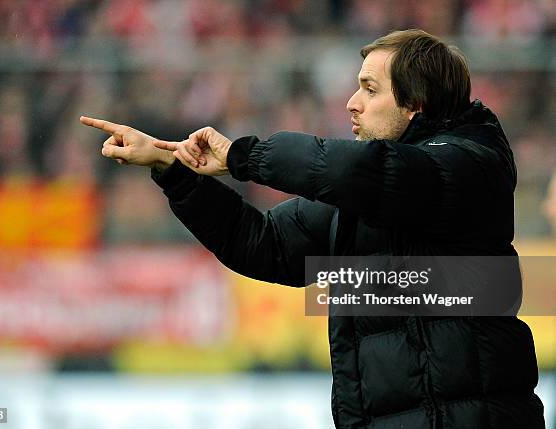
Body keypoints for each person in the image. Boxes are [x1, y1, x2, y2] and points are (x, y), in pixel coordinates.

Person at [80, 29, 545, 428]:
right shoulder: (371, 188)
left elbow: (369, 172)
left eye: (369, 89)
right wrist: (172, 168)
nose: (351, 103)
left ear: (414, 105)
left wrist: (244, 156)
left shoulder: (465, 164)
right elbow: (263, 243)